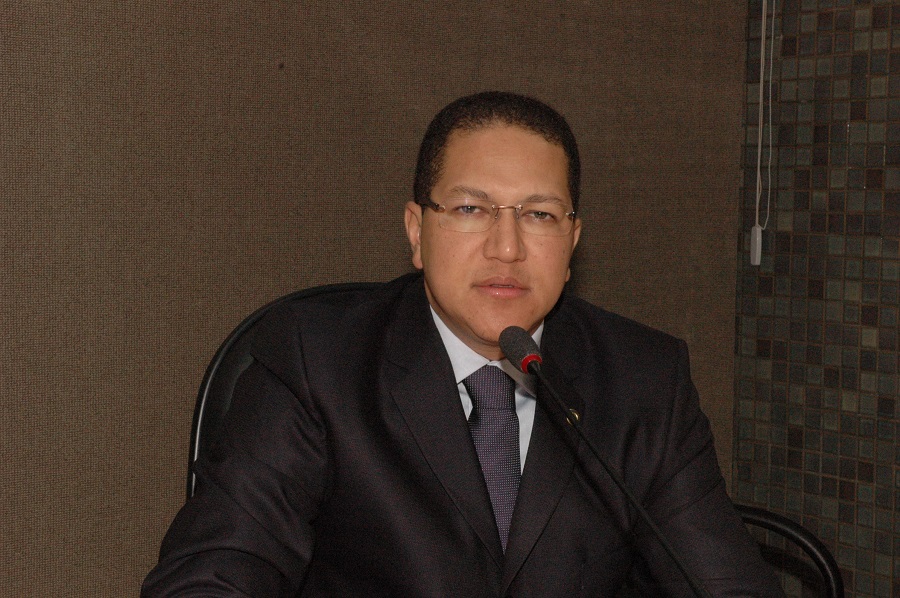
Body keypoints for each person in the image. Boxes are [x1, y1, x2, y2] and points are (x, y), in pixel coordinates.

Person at [143, 92, 782, 596]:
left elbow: (728, 584)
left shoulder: (646, 379)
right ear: (416, 231)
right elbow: (212, 577)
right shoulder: (318, 359)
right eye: (472, 209)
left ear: (572, 242)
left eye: (539, 214)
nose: (507, 247)